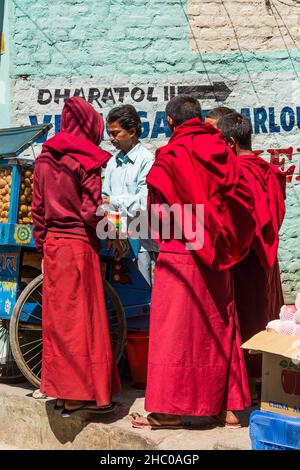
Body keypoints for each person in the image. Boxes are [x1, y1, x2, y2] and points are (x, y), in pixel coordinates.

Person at [131, 95, 257, 430]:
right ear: (200, 119)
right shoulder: (222, 152)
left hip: (178, 255)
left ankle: (168, 411)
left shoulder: (168, 157)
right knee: (219, 328)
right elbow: (243, 200)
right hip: (216, 256)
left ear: (171, 123)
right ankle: (228, 409)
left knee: (174, 335)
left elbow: (158, 213)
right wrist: (225, 239)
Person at [32, 97, 122, 416]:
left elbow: (38, 212)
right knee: (85, 323)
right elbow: (89, 210)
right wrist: (110, 232)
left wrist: (45, 246)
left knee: (58, 324)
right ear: (90, 126)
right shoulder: (87, 159)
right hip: (78, 247)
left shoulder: (44, 159)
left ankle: (60, 393)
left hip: (54, 248)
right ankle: (82, 393)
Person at [218, 112, 286, 403]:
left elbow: (237, 219)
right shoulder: (268, 169)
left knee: (245, 316)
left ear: (230, 142)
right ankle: (267, 377)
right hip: (268, 254)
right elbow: (276, 211)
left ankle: (246, 382)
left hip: (244, 256)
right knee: (267, 310)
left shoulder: (236, 171)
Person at [102, 105, 157, 286]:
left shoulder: (147, 160)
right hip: (120, 241)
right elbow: (104, 200)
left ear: (132, 131)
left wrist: (113, 201)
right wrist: (114, 234)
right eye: (110, 133)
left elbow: (142, 203)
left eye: (115, 133)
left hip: (143, 243)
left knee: (144, 293)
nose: (111, 138)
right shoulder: (112, 163)